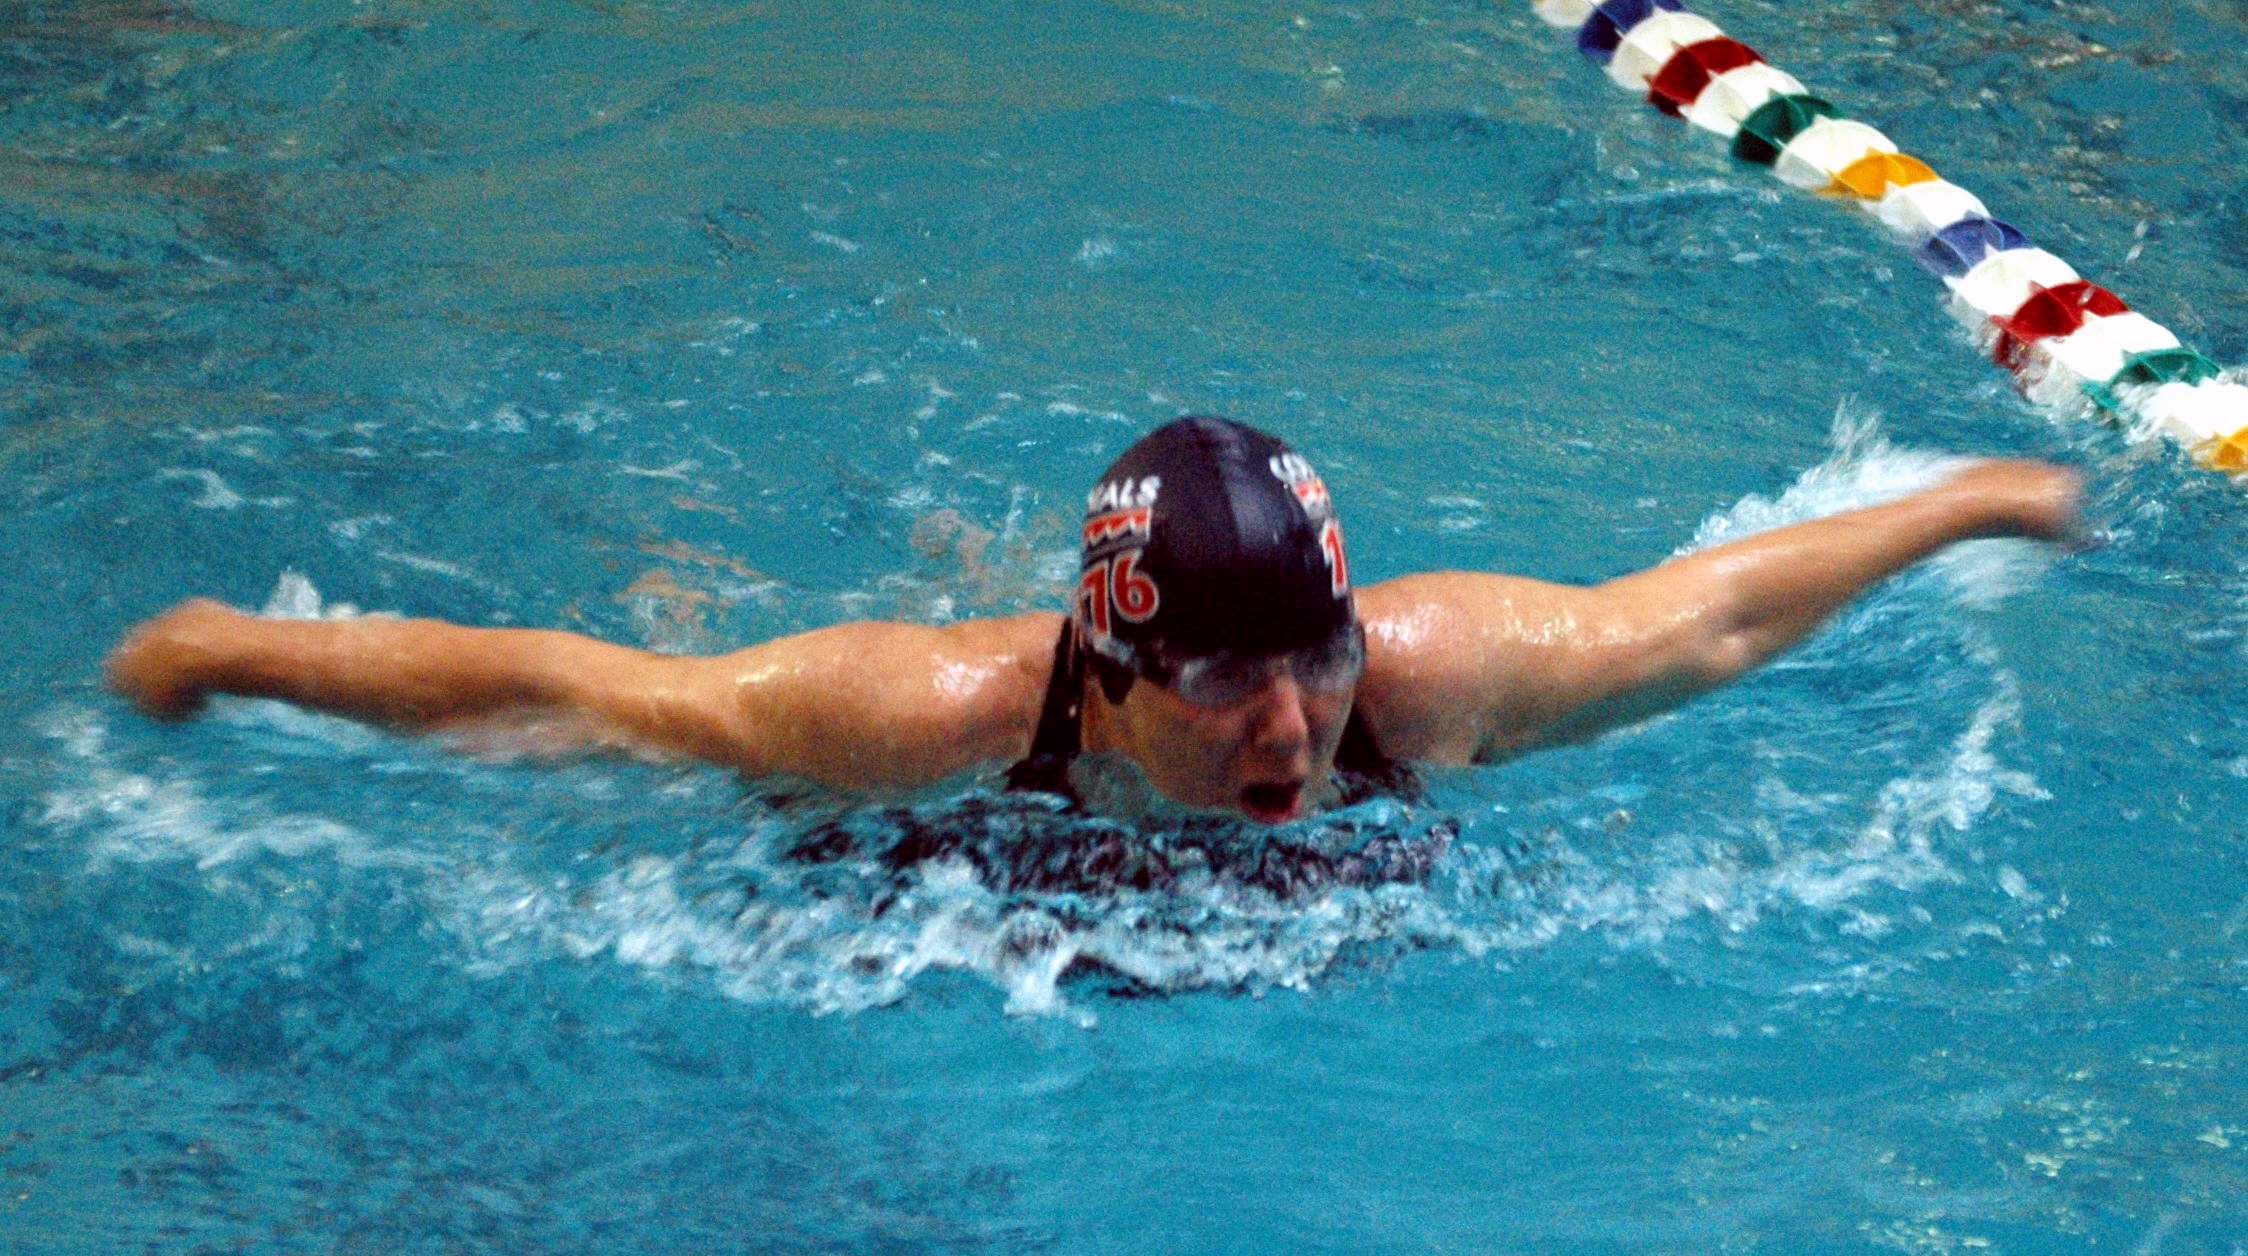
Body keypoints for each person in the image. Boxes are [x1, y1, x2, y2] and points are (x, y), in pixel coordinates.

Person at [105, 416, 2082, 824]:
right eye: (1220, 679)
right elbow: (574, 692)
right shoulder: (926, 715)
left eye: (1309, 661)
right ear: (1110, 678)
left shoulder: (1428, 673)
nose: (1289, 728)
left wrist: (1964, 503)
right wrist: (238, 650)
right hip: (924, 824)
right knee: (702, 687)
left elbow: (1703, 617)